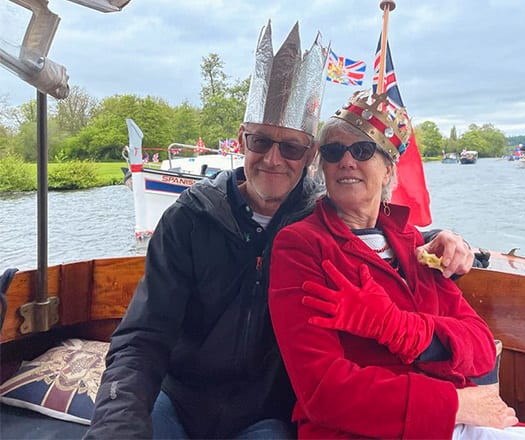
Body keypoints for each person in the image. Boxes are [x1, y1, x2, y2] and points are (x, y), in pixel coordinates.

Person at [85, 24, 473, 439]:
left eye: (290, 147)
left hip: (269, 412)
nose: (273, 159)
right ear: (242, 140)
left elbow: (379, 230)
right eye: (260, 141)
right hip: (181, 399)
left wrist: (448, 238)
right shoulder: (188, 219)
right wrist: (116, 424)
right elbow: (144, 336)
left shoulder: (320, 222)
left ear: (308, 156)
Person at [268, 90, 525, 439]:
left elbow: (480, 347)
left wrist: (400, 328)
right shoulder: (301, 246)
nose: (346, 161)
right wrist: (455, 404)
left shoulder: (416, 246)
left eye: (362, 150)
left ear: (388, 169)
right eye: (333, 152)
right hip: (369, 430)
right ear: (323, 167)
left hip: (463, 420)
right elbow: (323, 392)